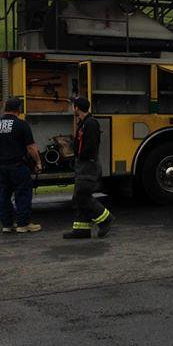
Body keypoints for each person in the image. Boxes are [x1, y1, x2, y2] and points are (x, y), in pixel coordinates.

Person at [0, 97, 42, 233]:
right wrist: (38, 162)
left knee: (4, 194)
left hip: (0, 167)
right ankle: (23, 224)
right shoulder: (21, 124)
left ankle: (7, 224)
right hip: (17, 165)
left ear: (5, 109)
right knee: (23, 194)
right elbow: (31, 147)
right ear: (18, 109)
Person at [65, 96, 114, 239]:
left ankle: (106, 219)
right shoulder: (84, 123)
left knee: (82, 196)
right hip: (83, 164)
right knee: (78, 197)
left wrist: (81, 156)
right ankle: (82, 229)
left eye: (73, 106)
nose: (72, 108)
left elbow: (90, 146)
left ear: (77, 108)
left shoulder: (90, 124)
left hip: (88, 165)